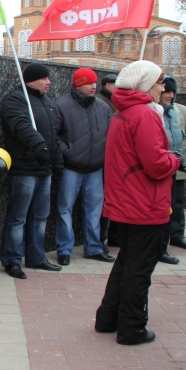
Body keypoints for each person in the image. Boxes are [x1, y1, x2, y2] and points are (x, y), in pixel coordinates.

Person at [94, 60, 180, 346]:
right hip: (144, 203)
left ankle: (108, 319)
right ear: (144, 85)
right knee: (138, 268)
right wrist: (175, 159)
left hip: (128, 200)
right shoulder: (144, 114)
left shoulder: (124, 112)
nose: (163, 87)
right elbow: (155, 164)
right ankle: (132, 328)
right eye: (158, 82)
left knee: (127, 262)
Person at [0, 63, 63, 279]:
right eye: (44, 78)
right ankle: (12, 260)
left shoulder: (48, 103)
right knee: (18, 218)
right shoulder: (15, 99)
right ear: (31, 80)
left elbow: (55, 135)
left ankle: (36, 257)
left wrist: (57, 161)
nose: (49, 82)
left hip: (45, 169)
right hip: (24, 168)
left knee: (40, 217)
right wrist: (39, 146)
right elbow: (21, 126)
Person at [54, 68, 114, 265]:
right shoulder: (61, 105)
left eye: (95, 83)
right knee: (65, 209)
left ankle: (94, 247)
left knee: (94, 211)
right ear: (78, 84)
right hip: (71, 168)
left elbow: (110, 136)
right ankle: (64, 249)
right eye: (89, 83)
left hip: (95, 168)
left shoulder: (103, 108)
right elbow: (54, 136)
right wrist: (69, 152)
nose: (93, 86)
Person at [158, 77, 186, 251]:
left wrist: (185, 151)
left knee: (178, 201)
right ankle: (162, 237)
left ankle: (177, 235)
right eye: (168, 92)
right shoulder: (154, 111)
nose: (171, 96)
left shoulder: (181, 110)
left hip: (178, 164)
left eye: (173, 93)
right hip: (162, 164)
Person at [97, 73, 118, 249]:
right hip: (103, 159)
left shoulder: (116, 103)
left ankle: (112, 236)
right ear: (108, 86)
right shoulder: (102, 103)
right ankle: (100, 238)